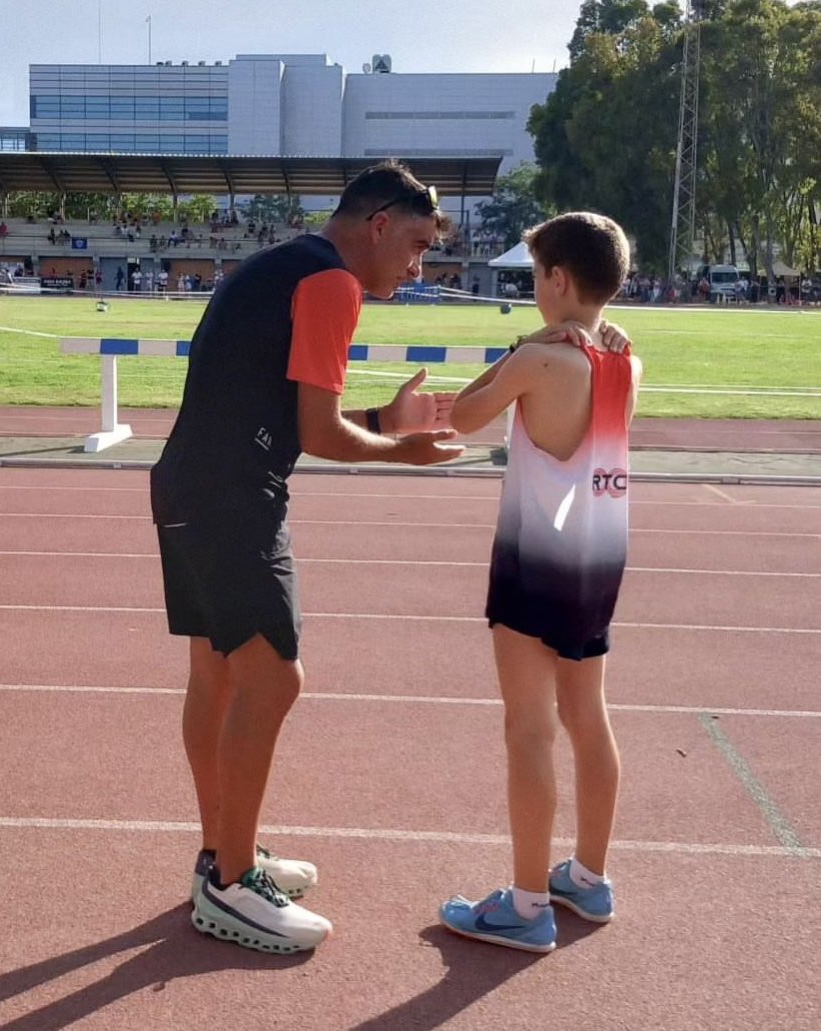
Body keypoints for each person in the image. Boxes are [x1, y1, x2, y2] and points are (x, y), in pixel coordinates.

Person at [150, 161, 464, 955]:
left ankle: (225, 855)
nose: (419, 267)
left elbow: (287, 411)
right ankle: (228, 886)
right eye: (419, 246)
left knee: (217, 675)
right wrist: (402, 447)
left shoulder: (280, 264)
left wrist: (378, 416)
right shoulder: (333, 286)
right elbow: (320, 436)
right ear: (381, 223)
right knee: (274, 677)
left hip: (188, 484)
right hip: (233, 499)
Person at [438, 212, 642, 953]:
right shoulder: (627, 362)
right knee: (589, 716)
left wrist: (522, 348)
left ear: (558, 280)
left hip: (536, 559)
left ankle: (526, 906)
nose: (532, 290)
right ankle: (587, 876)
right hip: (598, 558)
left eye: (534, 276)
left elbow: (460, 415)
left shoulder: (542, 359)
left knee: (528, 726)